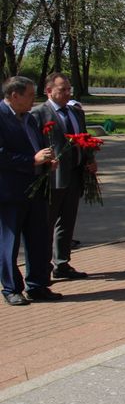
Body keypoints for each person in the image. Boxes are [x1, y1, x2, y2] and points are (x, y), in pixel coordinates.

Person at [0, 76, 61, 305]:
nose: (33, 99)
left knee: (39, 239)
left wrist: (46, 161)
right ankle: (11, 288)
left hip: (36, 189)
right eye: (29, 95)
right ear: (14, 96)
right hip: (10, 192)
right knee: (10, 241)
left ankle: (38, 285)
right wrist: (32, 160)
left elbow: (36, 146)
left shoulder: (30, 118)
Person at [30, 72, 97, 280]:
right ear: (49, 91)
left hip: (75, 174)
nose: (68, 93)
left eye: (69, 89)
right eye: (63, 90)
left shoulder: (75, 112)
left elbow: (84, 138)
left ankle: (62, 263)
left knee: (67, 222)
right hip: (51, 178)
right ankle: (43, 266)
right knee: (47, 223)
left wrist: (89, 159)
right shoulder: (38, 114)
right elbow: (33, 145)